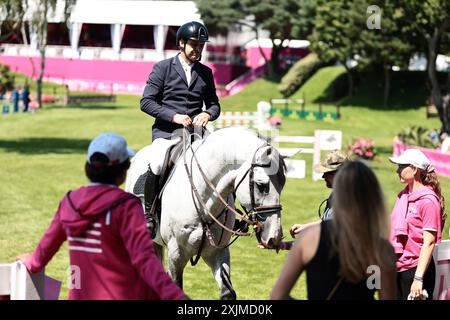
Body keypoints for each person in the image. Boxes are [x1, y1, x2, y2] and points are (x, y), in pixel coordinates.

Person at [17, 132, 187, 300]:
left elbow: (45, 249)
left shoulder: (69, 202)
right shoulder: (127, 206)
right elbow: (144, 260)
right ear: (123, 171)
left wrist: (31, 263)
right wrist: (176, 297)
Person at [271, 161, 397, 300]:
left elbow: (277, 296)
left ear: (338, 193)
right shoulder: (383, 249)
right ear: (374, 198)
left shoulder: (310, 238)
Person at [139, 21, 220, 234]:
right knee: (157, 163)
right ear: (181, 43)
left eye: (201, 45)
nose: (198, 49)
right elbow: (146, 102)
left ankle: (226, 214)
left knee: (220, 162)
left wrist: (207, 113)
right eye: (194, 44)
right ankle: (149, 214)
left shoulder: (206, 72)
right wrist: (174, 116)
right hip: (166, 132)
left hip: (196, 133)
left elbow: (214, 104)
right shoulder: (163, 68)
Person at [389, 148, 446, 300]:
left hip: (416, 270)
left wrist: (418, 279)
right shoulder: (404, 195)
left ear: (414, 169)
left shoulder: (428, 201)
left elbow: (429, 242)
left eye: (401, 166)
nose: (397, 170)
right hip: (398, 266)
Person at [282, 150, 348, 249]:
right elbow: (327, 221)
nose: (323, 176)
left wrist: (285, 245)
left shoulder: (348, 199)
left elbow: (328, 235)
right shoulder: (338, 192)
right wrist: (305, 227)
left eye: (327, 173)